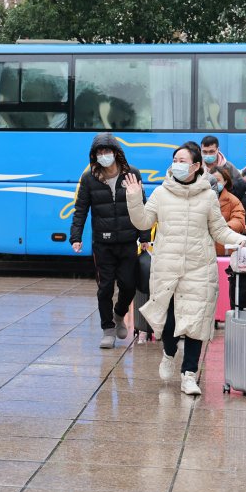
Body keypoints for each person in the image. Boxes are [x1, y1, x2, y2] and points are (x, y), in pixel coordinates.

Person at [125, 143, 246, 396]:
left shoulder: (208, 195)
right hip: (167, 267)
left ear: (195, 166)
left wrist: (239, 239)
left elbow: (219, 230)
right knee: (171, 320)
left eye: (182, 160)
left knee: (196, 321)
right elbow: (143, 222)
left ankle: (189, 375)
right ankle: (169, 353)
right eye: (175, 159)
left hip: (199, 267)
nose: (177, 163)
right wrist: (134, 198)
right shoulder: (161, 193)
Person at [69, 133, 149, 349]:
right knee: (105, 288)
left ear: (116, 152)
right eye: (99, 152)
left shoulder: (132, 173)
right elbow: (81, 209)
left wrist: (144, 237)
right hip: (102, 244)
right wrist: (75, 236)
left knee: (129, 286)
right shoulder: (89, 178)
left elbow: (142, 205)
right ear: (94, 156)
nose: (104, 155)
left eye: (107, 151)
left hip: (127, 241)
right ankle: (107, 329)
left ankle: (118, 314)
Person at [207, 166, 246, 256]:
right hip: (205, 248)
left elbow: (239, 220)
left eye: (218, 180)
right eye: (212, 180)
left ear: (225, 181)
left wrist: (223, 227)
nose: (215, 183)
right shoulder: (201, 198)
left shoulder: (233, 200)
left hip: (225, 248)